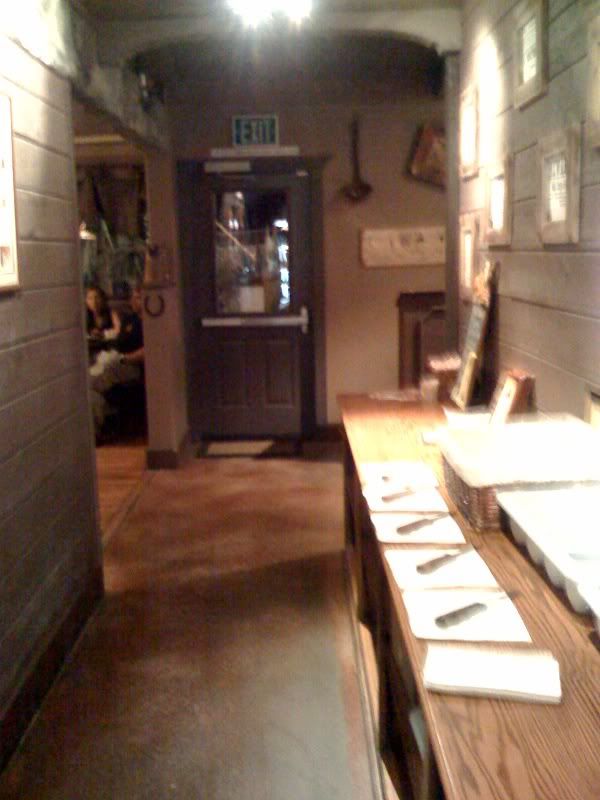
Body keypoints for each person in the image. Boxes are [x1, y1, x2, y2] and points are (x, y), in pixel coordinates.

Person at [89, 285, 144, 439]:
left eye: (138, 297)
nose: (133, 300)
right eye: (133, 297)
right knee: (90, 386)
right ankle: (97, 429)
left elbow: (148, 350)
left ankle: (99, 427)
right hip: (116, 358)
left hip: (131, 364)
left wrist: (124, 358)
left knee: (95, 380)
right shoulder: (129, 319)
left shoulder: (148, 323)